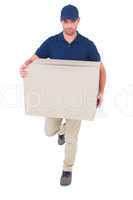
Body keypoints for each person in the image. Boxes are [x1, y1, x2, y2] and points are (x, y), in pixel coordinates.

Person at [19, 4, 106, 186]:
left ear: (78, 21)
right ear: (61, 22)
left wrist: (100, 92)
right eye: (65, 21)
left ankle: (67, 169)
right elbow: (34, 59)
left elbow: (100, 69)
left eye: (72, 21)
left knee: (72, 139)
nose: (69, 25)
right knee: (49, 131)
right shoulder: (51, 42)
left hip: (79, 99)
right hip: (55, 97)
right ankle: (62, 130)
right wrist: (25, 66)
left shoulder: (88, 45)